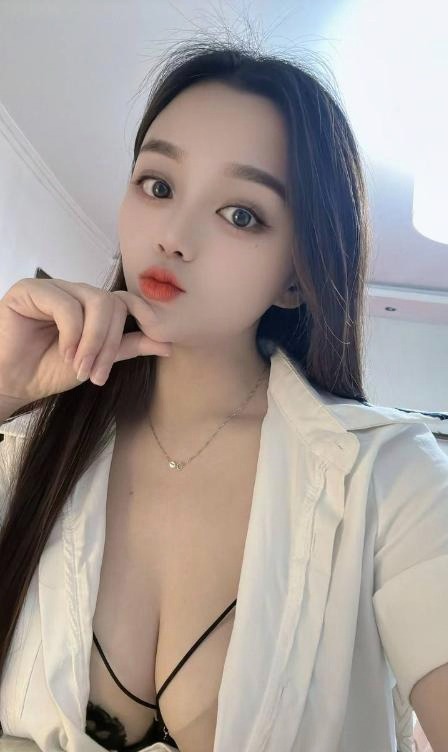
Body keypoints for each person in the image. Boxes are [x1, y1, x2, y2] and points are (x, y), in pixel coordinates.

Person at [1, 37, 448, 752]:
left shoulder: (388, 477)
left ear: (295, 277)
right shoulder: (28, 452)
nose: (173, 237)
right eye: (158, 185)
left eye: (241, 214)